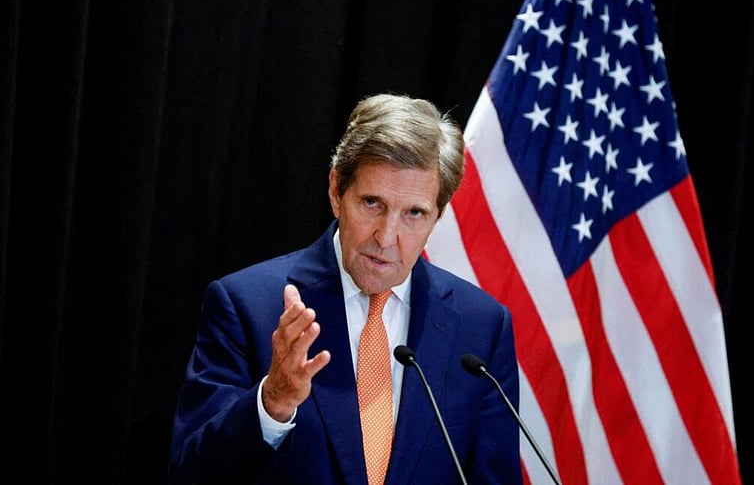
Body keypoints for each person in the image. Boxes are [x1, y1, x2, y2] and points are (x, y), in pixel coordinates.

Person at [168, 93, 523, 484]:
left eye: (414, 214)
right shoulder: (247, 305)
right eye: (372, 203)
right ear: (337, 191)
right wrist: (273, 402)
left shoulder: (481, 328)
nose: (387, 237)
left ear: (438, 215)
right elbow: (190, 474)